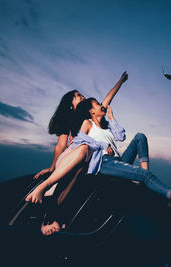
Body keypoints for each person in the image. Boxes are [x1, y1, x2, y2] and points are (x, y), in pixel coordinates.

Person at [26, 98, 171, 216]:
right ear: (91, 111)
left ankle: (144, 180)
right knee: (143, 176)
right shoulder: (87, 123)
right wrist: (101, 146)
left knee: (140, 137)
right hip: (103, 163)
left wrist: (112, 118)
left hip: (118, 161)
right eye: (98, 104)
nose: (102, 105)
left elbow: (121, 136)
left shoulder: (105, 126)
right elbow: (78, 145)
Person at [33, 72, 128, 235]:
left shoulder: (92, 115)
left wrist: (120, 81)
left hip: (89, 152)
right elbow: (61, 145)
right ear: (70, 105)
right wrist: (52, 167)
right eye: (77, 96)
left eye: (81, 94)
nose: (82, 96)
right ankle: (47, 218)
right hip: (73, 152)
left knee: (79, 175)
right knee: (64, 177)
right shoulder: (70, 120)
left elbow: (108, 97)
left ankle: (62, 217)